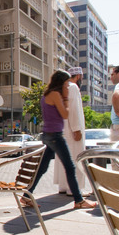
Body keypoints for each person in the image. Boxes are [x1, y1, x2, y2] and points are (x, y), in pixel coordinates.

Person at [25, 70, 97, 209]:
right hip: (55, 136)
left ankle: (26, 195)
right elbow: (65, 114)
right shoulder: (56, 95)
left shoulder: (46, 95)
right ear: (61, 83)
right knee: (70, 167)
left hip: (47, 135)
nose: (67, 86)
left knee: (42, 167)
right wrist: (66, 100)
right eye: (66, 83)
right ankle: (79, 200)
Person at [53, 67, 88, 197]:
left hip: (61, 129)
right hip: (70, 130)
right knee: (75, 158)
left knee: (64, 159)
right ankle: (73, 188)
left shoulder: (60, 88)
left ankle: (63, 186)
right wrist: (76, 129)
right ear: (78, 76)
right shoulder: (72, 87)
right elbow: (73, 109)